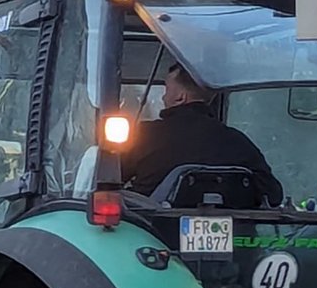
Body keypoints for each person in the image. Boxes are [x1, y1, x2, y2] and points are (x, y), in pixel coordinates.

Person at [120, 63, 283, 205]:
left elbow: (108, 180)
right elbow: (274, 196)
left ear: (180, 97)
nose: (163, 97)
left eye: (167, 89)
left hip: (153, 236)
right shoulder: (239, 142)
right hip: (235, 237)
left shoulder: (142, 136)